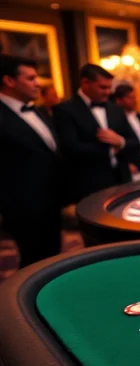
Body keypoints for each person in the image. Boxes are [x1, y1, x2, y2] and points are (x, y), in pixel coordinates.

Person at [0, 55, 63, 267]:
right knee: (33, 263)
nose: (38, 84)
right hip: (23, 206)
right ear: (9, 81)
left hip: (52, 199)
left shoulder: (37, 110)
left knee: (53, 256)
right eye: (31, 78)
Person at [54, 64, 138, 201]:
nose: (108, 92)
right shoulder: (65, 110)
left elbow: (134, 142)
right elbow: (70, 148)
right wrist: (110, 150)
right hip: (87, 184)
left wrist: (120, 142)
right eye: (103, 87)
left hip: (121, 180)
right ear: (85, 83)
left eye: (110, 87)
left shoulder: (116, 109)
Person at [113, 84, 140, 173]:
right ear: (119, 100)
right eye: (130, 98)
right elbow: (117, 144)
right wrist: (126, 164)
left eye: (135, 97)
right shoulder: (115, 119)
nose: (134, 101)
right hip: (131, 164)